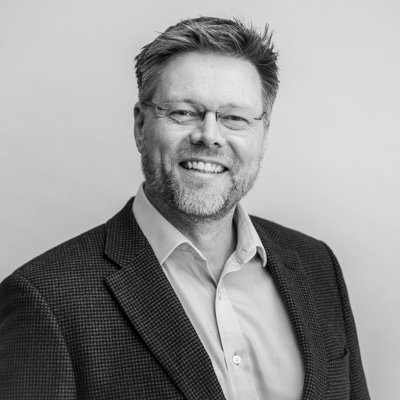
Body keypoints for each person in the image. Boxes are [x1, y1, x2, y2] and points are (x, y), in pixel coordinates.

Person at [0, 16, 370, 400]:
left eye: (234, 118)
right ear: (141, 125)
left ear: (263, 133)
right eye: (183, 112)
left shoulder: (317, 265)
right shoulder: (47, 300)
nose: (209, 136)